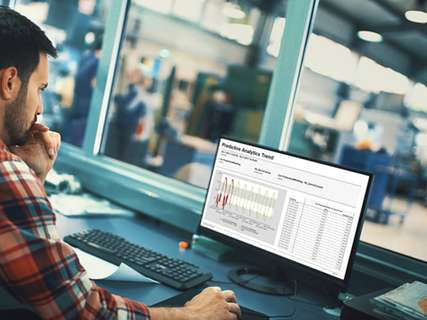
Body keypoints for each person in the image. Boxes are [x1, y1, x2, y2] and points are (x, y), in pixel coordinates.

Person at [0, 6, 241, 320]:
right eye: (39, 89)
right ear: (9, 82)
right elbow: (85, 311)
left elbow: (31, 264)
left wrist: (36, 179)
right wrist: (192, 315)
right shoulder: (7, 173)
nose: (41, 108)